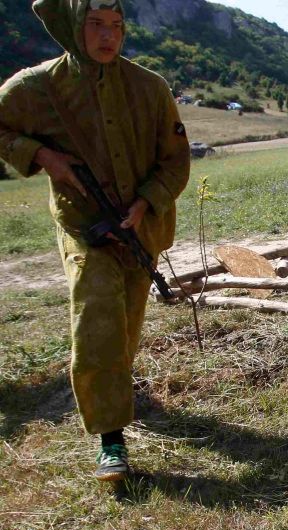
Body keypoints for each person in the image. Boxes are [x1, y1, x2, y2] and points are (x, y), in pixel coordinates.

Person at [0, 0, 190, 482]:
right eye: (95, 25)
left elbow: (175, 160)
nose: (108, 36)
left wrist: (146, 201)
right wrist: (42, 155)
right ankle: (111, 439)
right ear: (71, 25)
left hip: (139, 232)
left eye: (117, 26)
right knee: (96, 318)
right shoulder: (35, 88)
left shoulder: (150, 88)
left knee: (125, 323)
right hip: (84, 229)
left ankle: (117, 391)